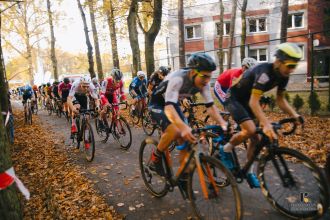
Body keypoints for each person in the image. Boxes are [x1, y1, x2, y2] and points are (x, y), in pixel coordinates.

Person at [220, 42, 304, 188]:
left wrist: (295, 115)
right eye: (290, 66)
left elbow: (281, 100)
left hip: (247, 100)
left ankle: (249, 172)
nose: (291, 70)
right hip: (234, 98)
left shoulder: (283, 75)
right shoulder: (264, 72)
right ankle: (225, 149)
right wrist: (266, 124)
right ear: (278, 61)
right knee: (250, 130)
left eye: (294, 67)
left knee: (256, 139)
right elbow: (254, 102)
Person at [147, 52, 228, 194]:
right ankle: (156, 157)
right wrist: (183, 127)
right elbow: (169, 108)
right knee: (176, 130)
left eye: (209, 76)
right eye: (204, 76)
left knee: (186, 140)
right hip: (158, 104)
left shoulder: (203, 83)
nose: (207, 80)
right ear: (192, 72)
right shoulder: (178, 79)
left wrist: (222, 123)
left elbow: (211, 108)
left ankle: (183, 177)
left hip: (172, 103)